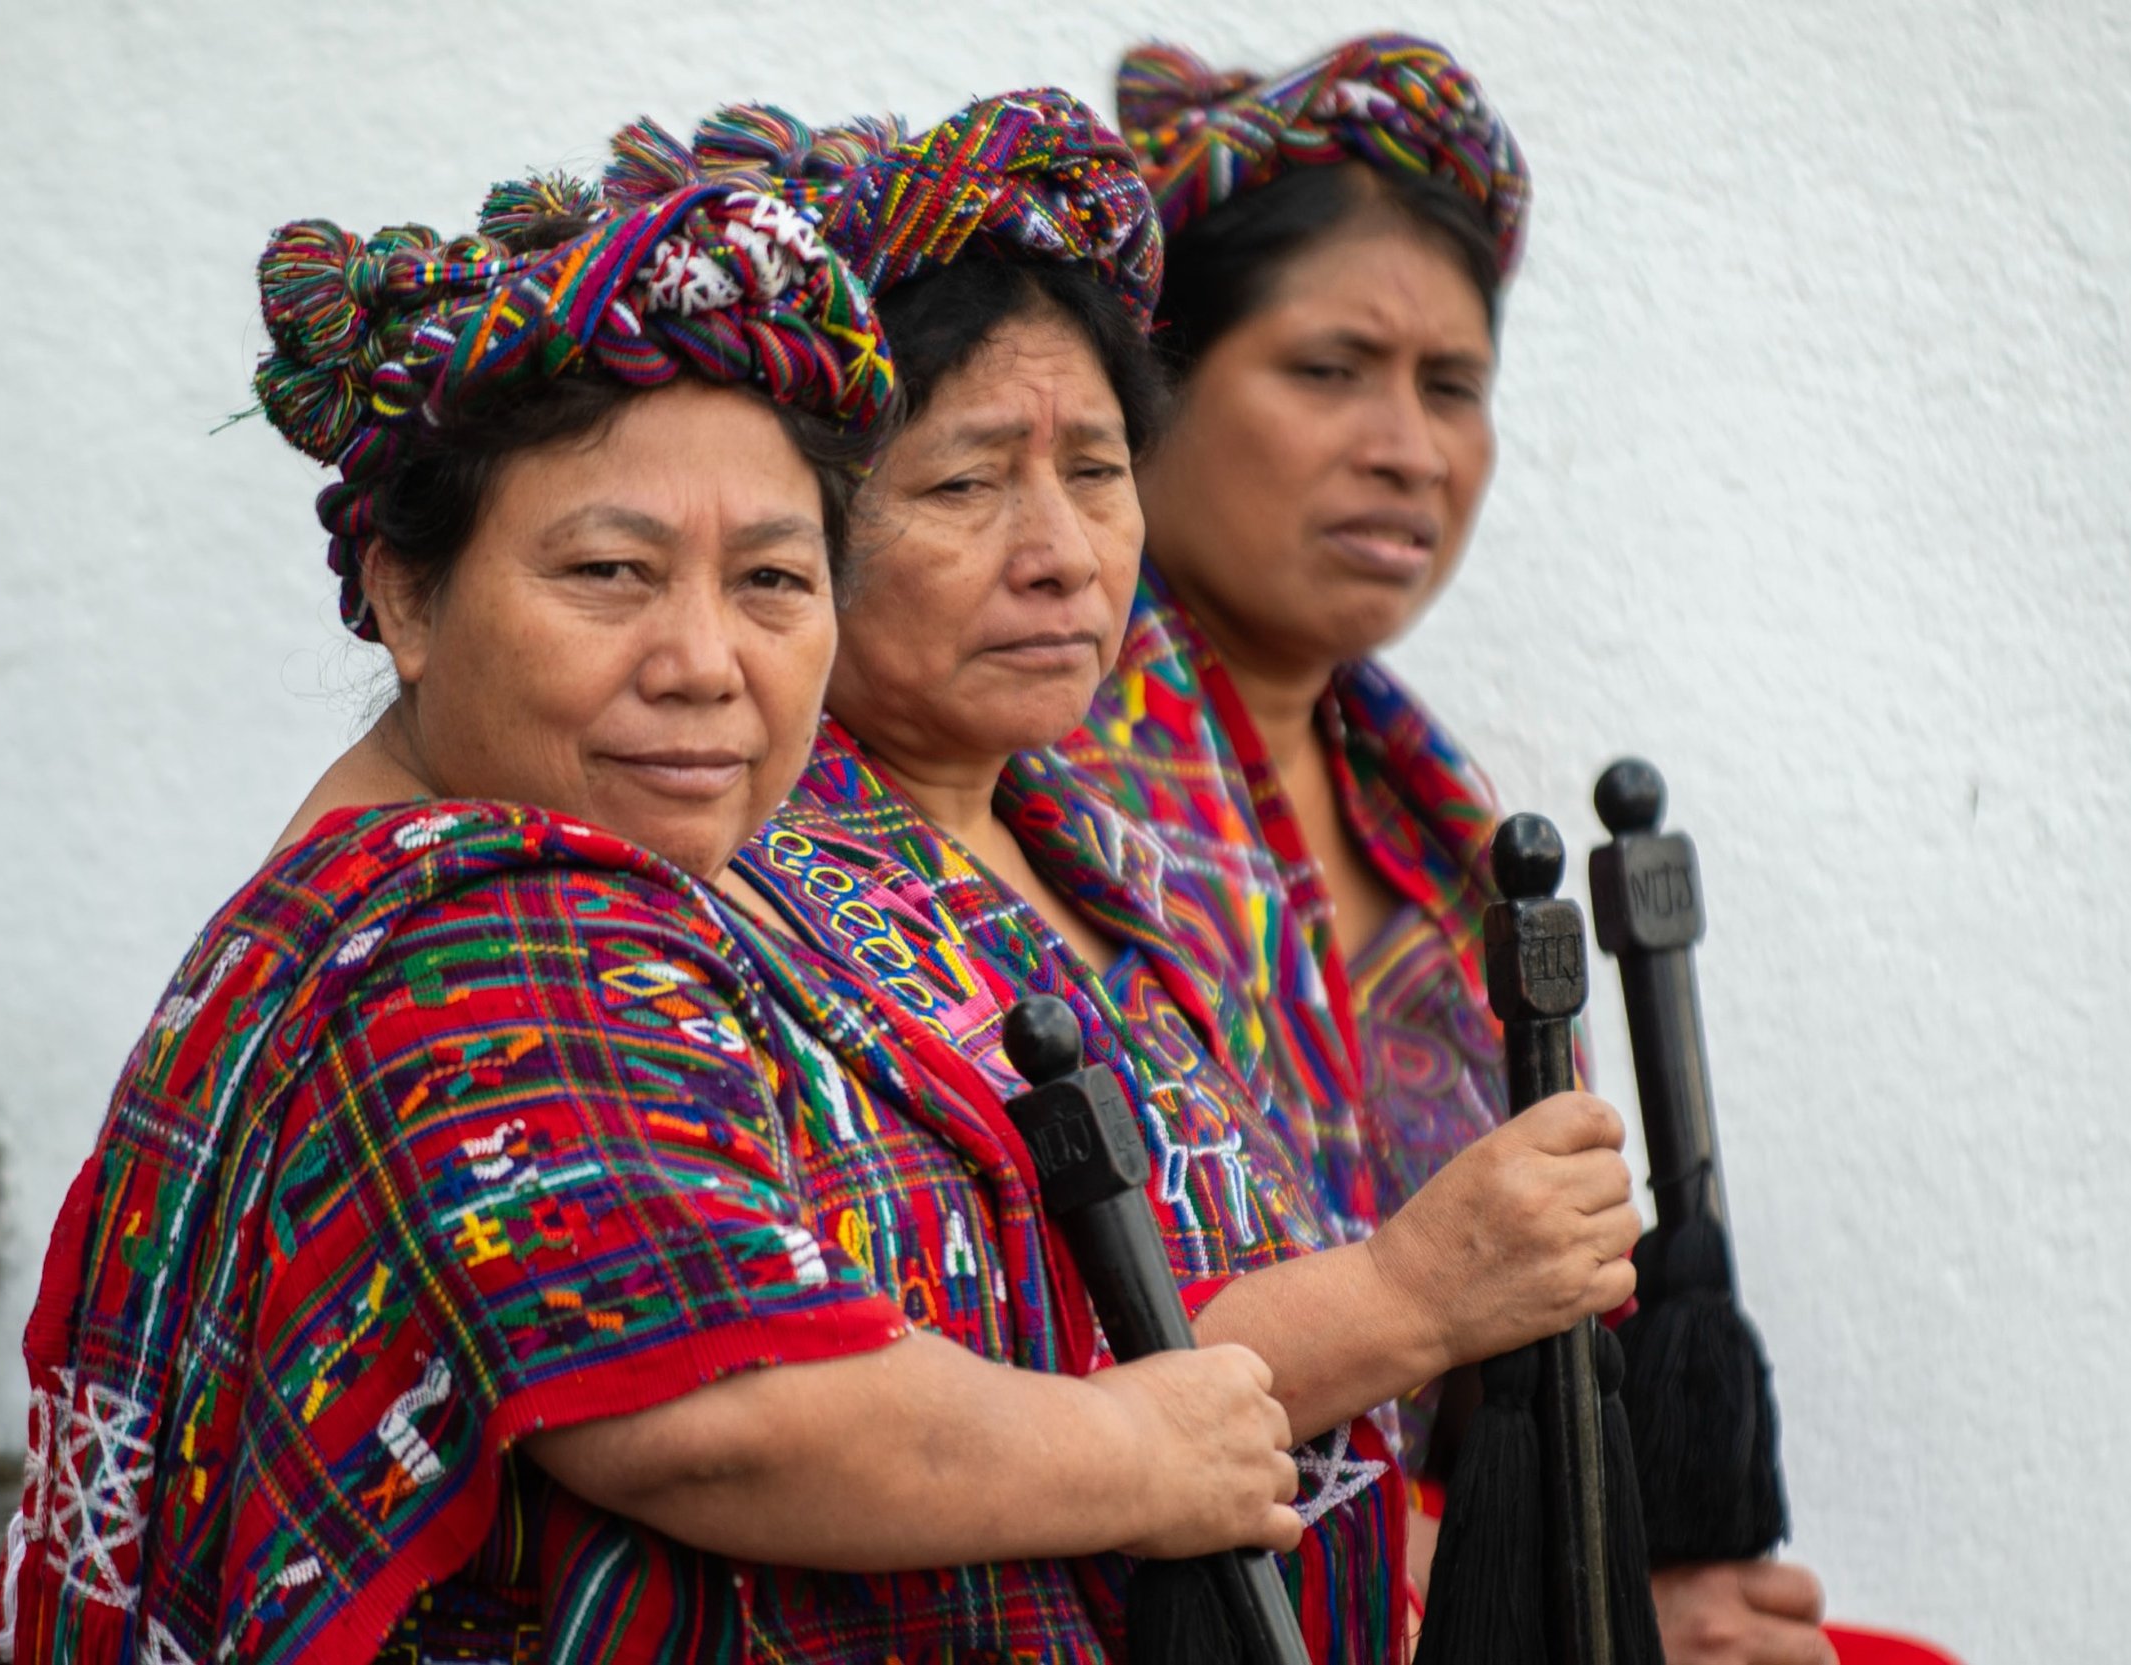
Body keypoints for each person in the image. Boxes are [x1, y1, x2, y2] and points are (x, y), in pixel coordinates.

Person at [0, 181, 1306, 1665]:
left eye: (772, 581)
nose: (701, 662)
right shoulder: (489, 936)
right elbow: (720, 1412)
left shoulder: (488, 884)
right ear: (408, 596)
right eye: (608, 573)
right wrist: (1135, 1452)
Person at [603, 89, 1643, 1665]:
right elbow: (913, 1395)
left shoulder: (1104, 878)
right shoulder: (730, 886)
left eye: (1095, 472)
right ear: (795, 531)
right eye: (963, 485)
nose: (1065, 555)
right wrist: (1407, 1297)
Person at [1065, 33, 1943, 1665]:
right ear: (1153, 391)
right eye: (1330, 370)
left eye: (1451, 385)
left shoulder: (1432, 828)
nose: (1409, 445)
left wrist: (1638, 1582)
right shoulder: (1031, 805)